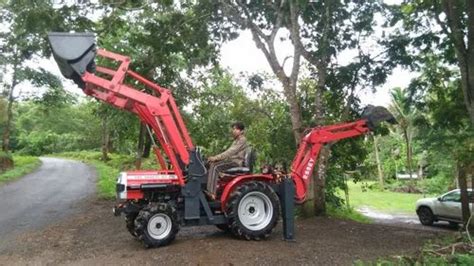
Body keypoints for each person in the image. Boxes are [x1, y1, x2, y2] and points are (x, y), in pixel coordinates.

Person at [206, 122, 248, 199]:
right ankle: (216, 185)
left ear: (241, 131)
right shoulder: (236, 140)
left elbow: (230, 151)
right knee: (209, 164)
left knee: (215, 167)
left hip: (235, 162)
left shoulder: (242, 140)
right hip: (231, 161)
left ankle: (211, 193)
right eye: (233, 129)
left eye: (236, 129)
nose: (233, 131)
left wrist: (216, 158)